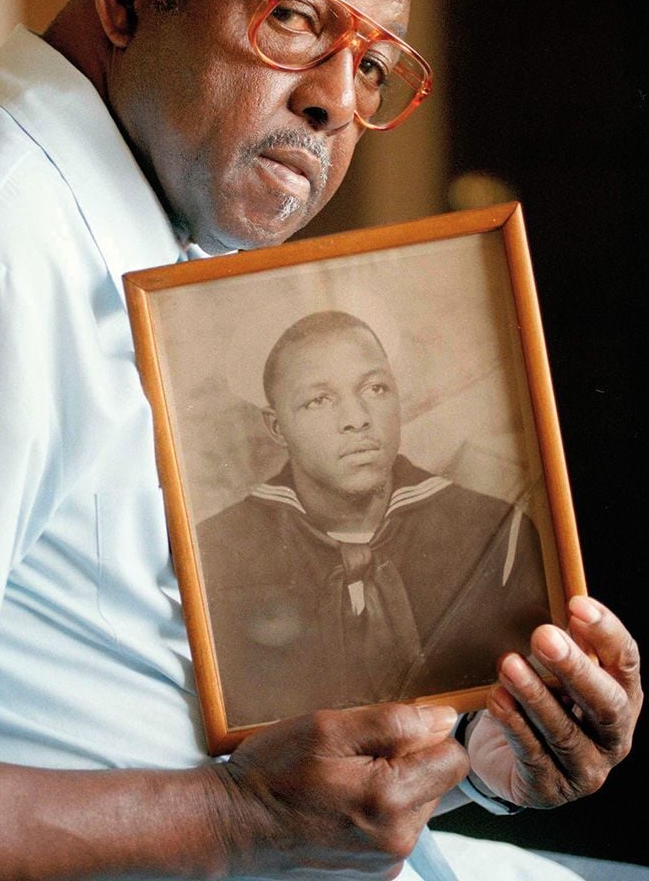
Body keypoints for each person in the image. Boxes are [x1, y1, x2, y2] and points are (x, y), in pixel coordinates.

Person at [0, 0, 643, 881]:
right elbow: (232, 806)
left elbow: (171, 711)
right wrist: (234, 820)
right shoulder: (0, 242)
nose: (337, 101)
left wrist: (472, 763)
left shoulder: (152, 240)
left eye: (373, 65)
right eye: (295, 17)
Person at [198, 309, 552, 728]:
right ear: (277, 428)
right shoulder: (215, 551)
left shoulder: (495, 532)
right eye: (319, 400)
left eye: (376, 388)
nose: (356, 419)